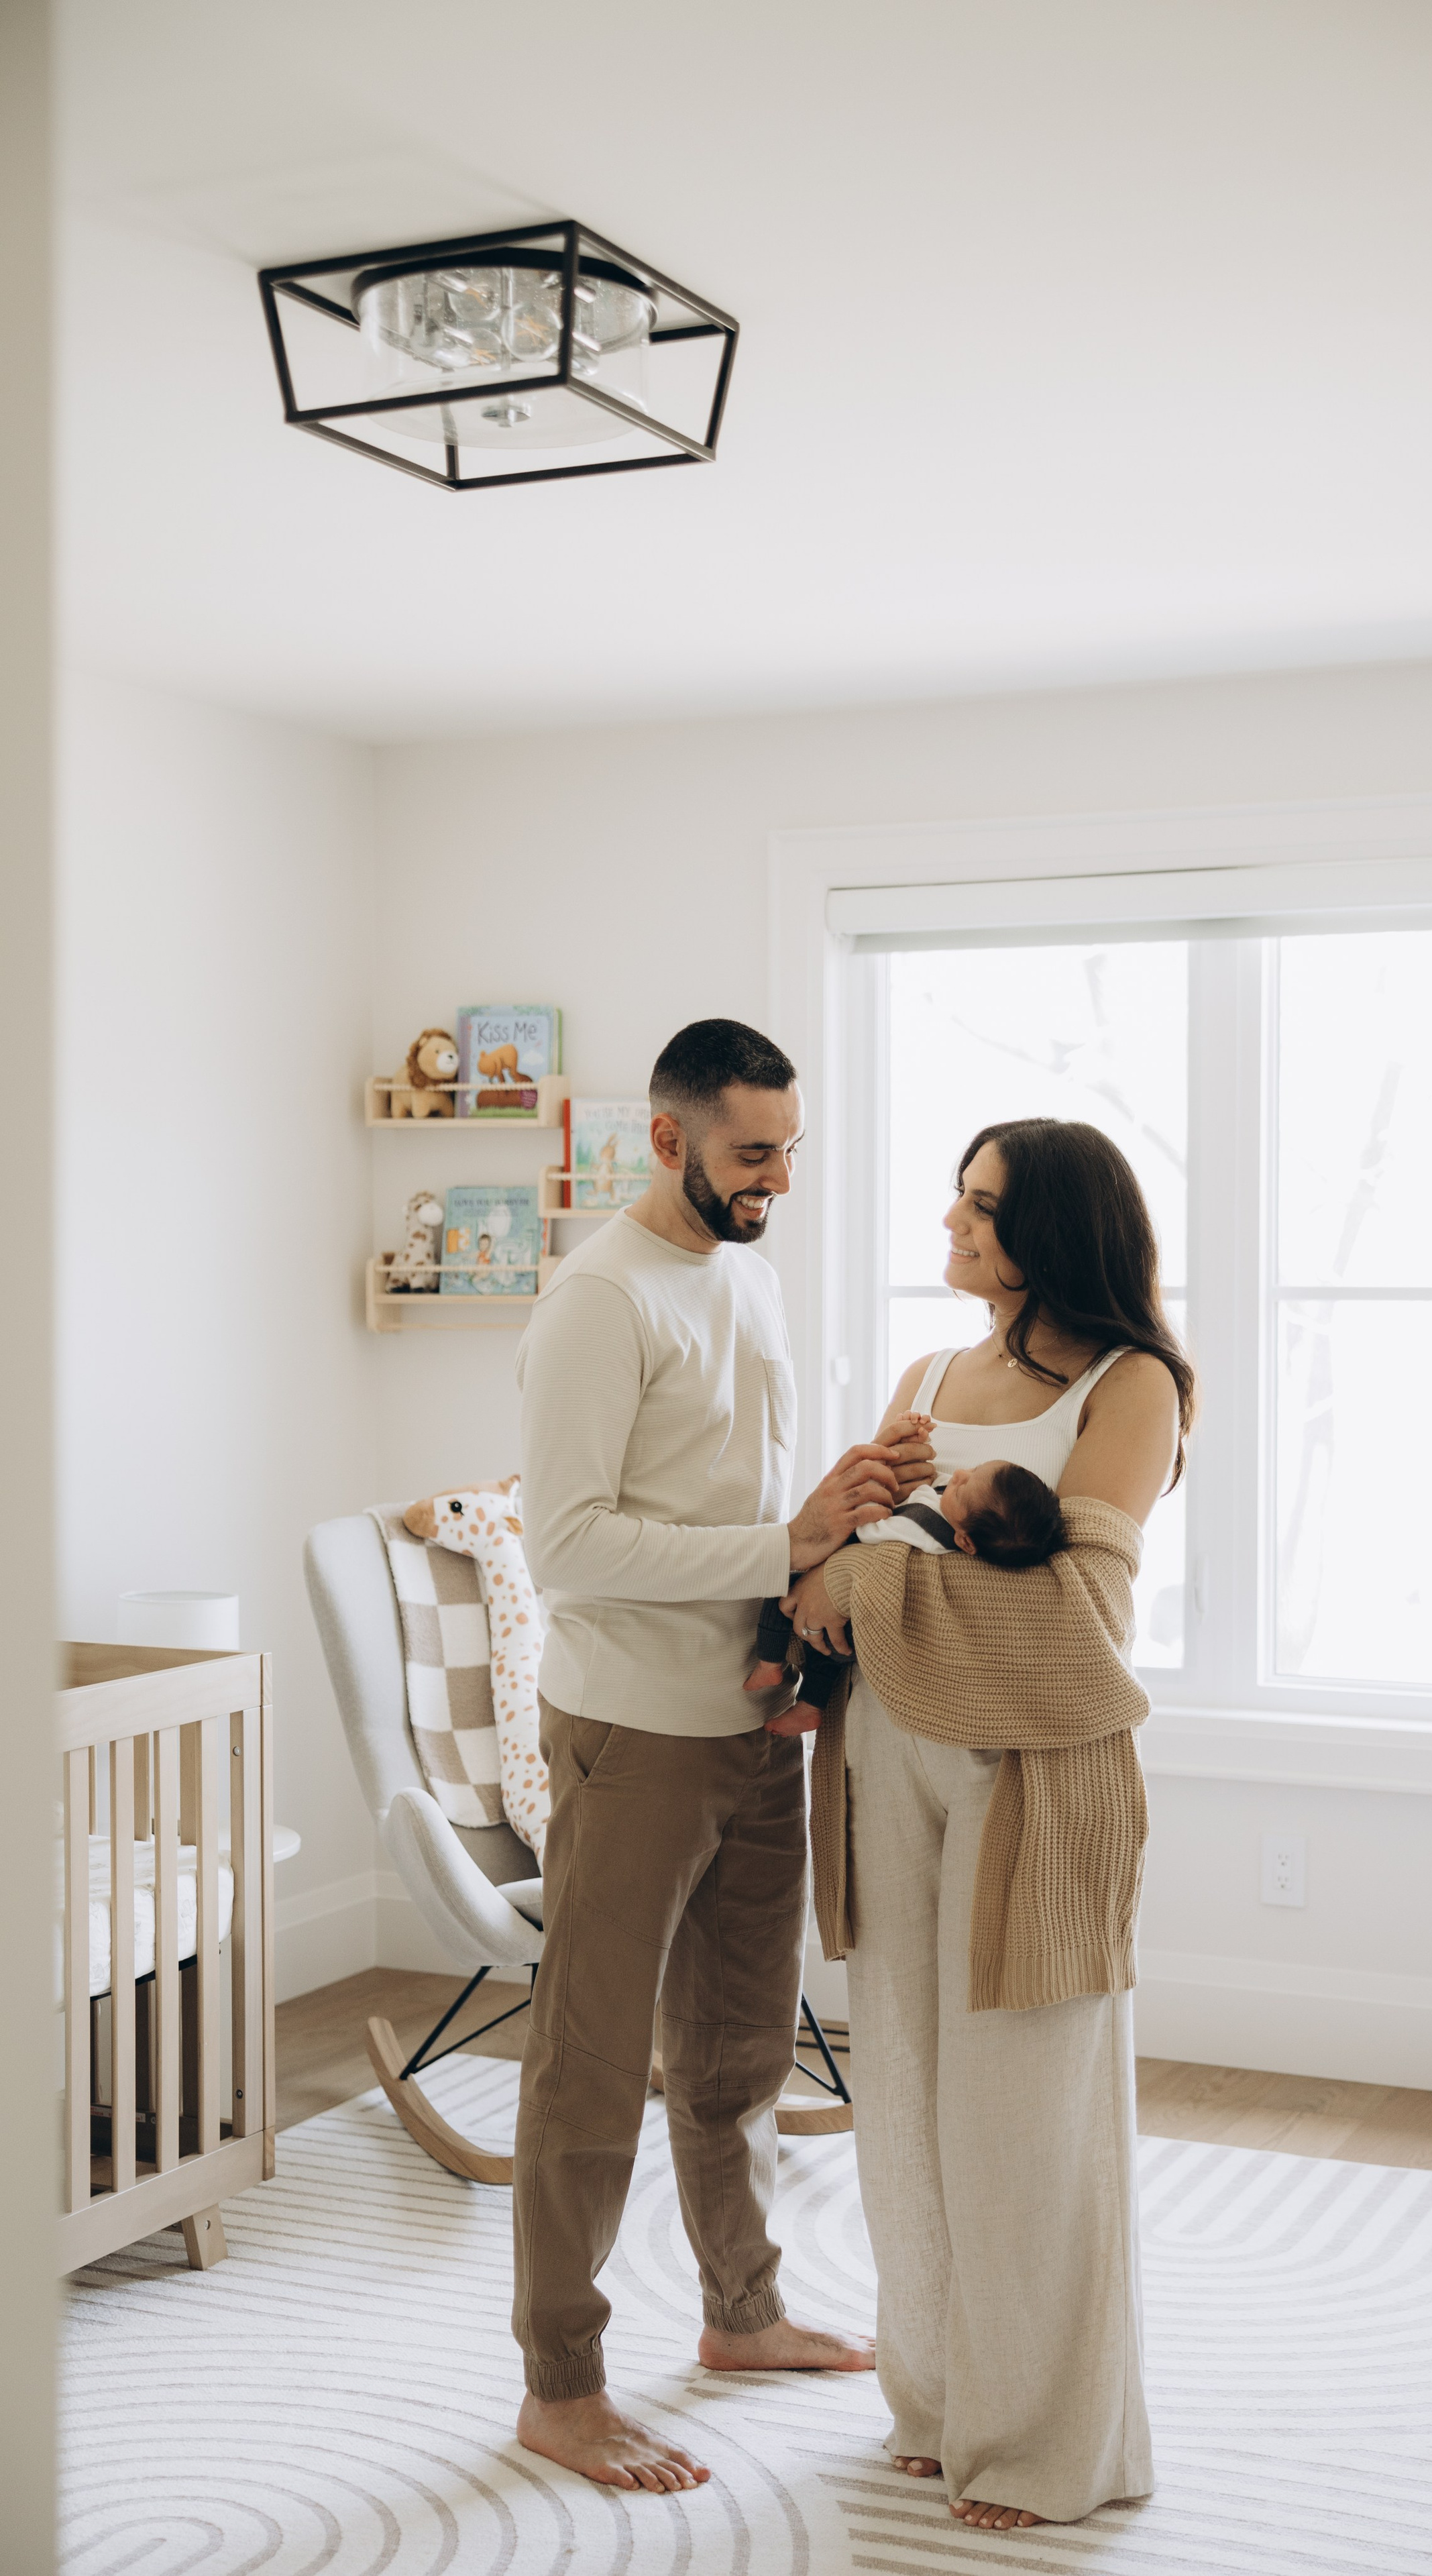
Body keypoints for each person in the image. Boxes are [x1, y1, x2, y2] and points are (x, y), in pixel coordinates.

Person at [510, 1016, 932, 2496]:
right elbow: (562, 1548)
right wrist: (790, 1534)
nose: (779, 1179)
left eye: (791, 1151)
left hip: (758, 1723)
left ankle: (740, 2314)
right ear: (669, 1138)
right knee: (588, 2066)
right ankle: (560, 2388)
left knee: (739, 2054)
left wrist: (811, 1580)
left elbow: (740, 1491)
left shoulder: (741, 1272)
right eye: (754, 1153)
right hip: (632, 1735)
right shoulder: (596, 1302)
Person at [783, 1117, 1195, 2533]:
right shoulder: (923, 1375)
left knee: (1023, 2107)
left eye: (982, 1208)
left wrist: (865, 1587)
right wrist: (829, 1559)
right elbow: (837, 1553)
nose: (951, 1226)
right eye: (955, 1200)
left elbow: (1077, 1625)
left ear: (1054, 1235)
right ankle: (941, 2400)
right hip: (883, 1742)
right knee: (897, 2084)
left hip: (1035, 1769)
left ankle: (1043, 2443)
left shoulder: (1130, 1385)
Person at [747, 1452, 1069, 1729]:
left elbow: (870, 1531)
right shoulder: (961, 1514)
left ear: (965, 1542)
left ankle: (770, 1662)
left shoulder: (926, 1529)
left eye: (962, 1487)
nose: (958, 1474)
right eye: (974, 1469)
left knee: (780, 1589)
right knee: (829, 1660)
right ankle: (810, 1708)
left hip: (851, 1607)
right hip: (855, 1620)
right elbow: (938, 1482)